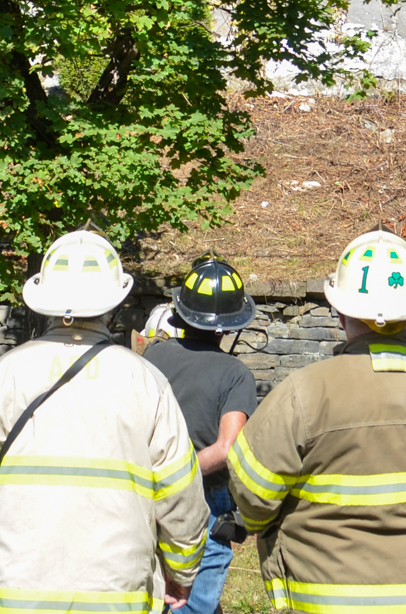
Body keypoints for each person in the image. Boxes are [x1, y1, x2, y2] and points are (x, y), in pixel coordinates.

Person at [228, 228, 406, 614]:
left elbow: (251, 490)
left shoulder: (302, 393)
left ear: (340, 311)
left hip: (320, 600)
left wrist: (260, 523)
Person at [0, 229, 209, 611]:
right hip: (115, 597)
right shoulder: (146, 382)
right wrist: (182, 570)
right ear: (113, 301)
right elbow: (179, 493)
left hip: (14, 595)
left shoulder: (2, 376)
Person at [143, 254, 263, 614]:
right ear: (229, 326)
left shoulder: (151, 357)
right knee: (193, 605)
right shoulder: (235, 373)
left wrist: (158, 476)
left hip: (146, 493)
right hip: (206, 501)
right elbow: (227, 449)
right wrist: (180, 474)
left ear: (180, 313)